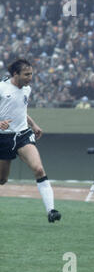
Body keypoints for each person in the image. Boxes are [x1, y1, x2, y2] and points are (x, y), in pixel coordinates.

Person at [0, 59, 61, 223]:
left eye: (31, 74)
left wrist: (33, 125)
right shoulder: (2, 88)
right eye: (27, 74)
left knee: (39, 169)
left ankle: (51, 210)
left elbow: (20, 110)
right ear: (15, 74)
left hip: (22, 135)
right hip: (3, 138)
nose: (30, 77)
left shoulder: (27, 89)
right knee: (2, 180)